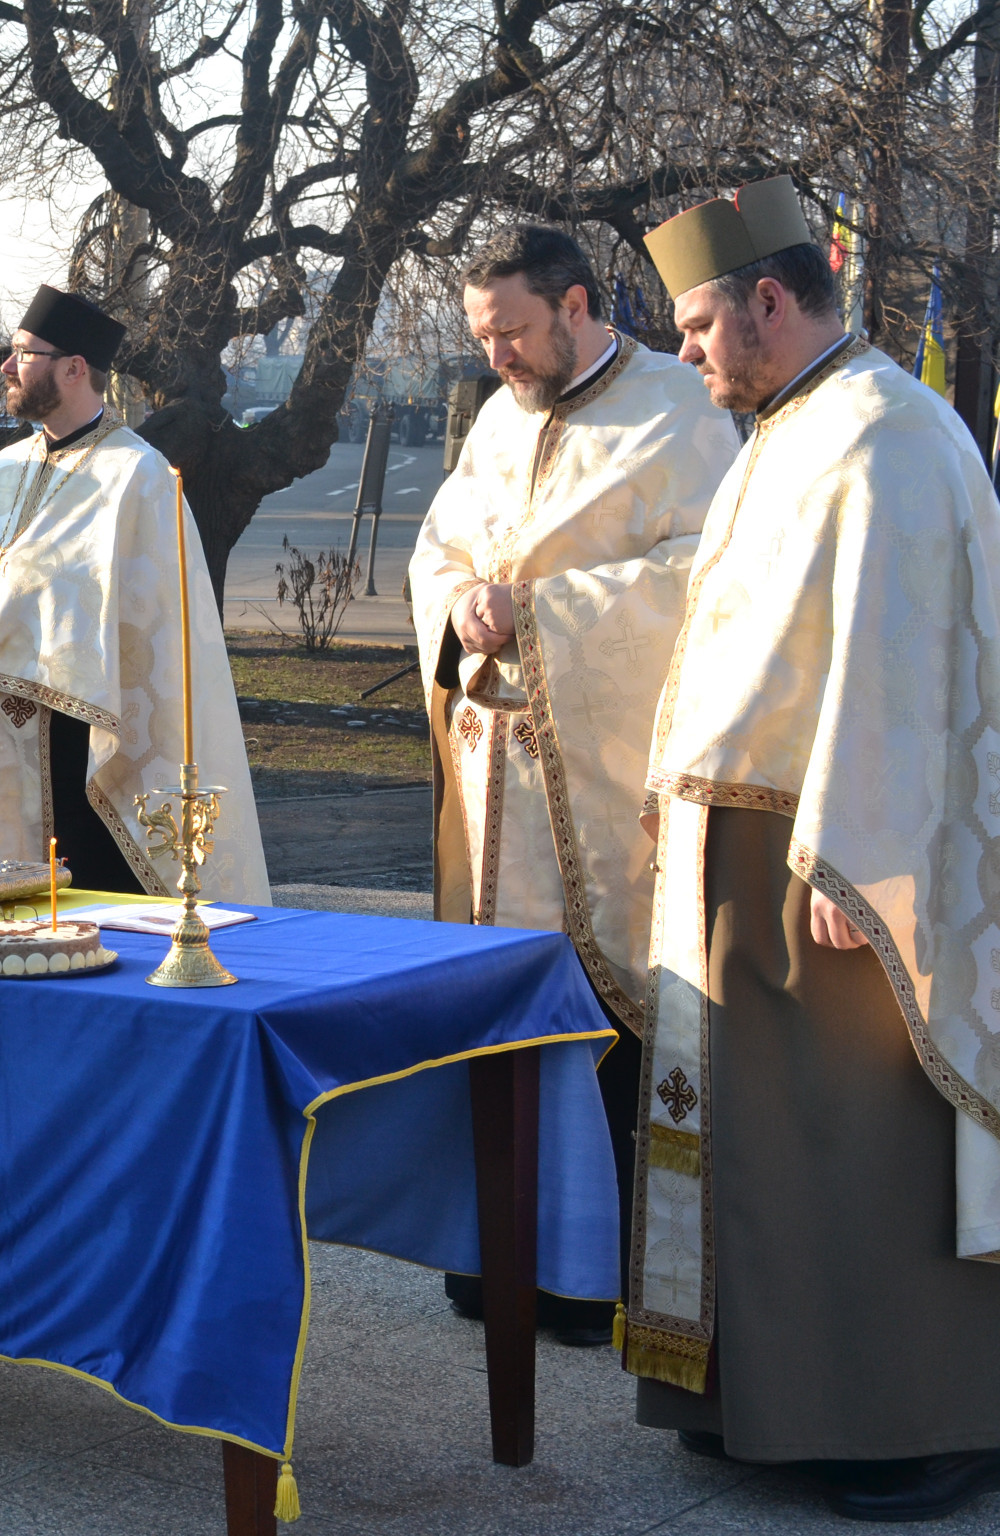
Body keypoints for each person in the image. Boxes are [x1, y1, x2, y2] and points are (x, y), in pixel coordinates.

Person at [627, 176, 1000, 1521]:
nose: (684, 350)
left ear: (769, 304)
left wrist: (856, 856)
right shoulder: (797, 426)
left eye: (696, 323)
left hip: (836, 863)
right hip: (746, 845)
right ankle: (760, 1402)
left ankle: (914, 1423)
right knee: (758, 1156)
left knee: (856, 1149)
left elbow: (904, 667)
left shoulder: (886, 437)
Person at [409, 226, 740, 1346]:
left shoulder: (677, 412)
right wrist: (460, 605)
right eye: (482, 335)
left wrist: (542, 614)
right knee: (494, 1012)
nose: (496, 355)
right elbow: (440, 546)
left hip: (601, 786)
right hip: (492, 780)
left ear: (578, 305)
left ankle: (589, 1273)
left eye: (510, 331)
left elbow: (706, 574)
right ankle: (497, 1250)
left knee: (601, 1015)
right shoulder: (500, 418)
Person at [0, 285, 266, 897]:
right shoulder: (4, 468)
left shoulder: (136, 475)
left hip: (76, 747)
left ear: (73, 368)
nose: (6, 367)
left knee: (77, 912)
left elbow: (154, 635)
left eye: (23, 354)